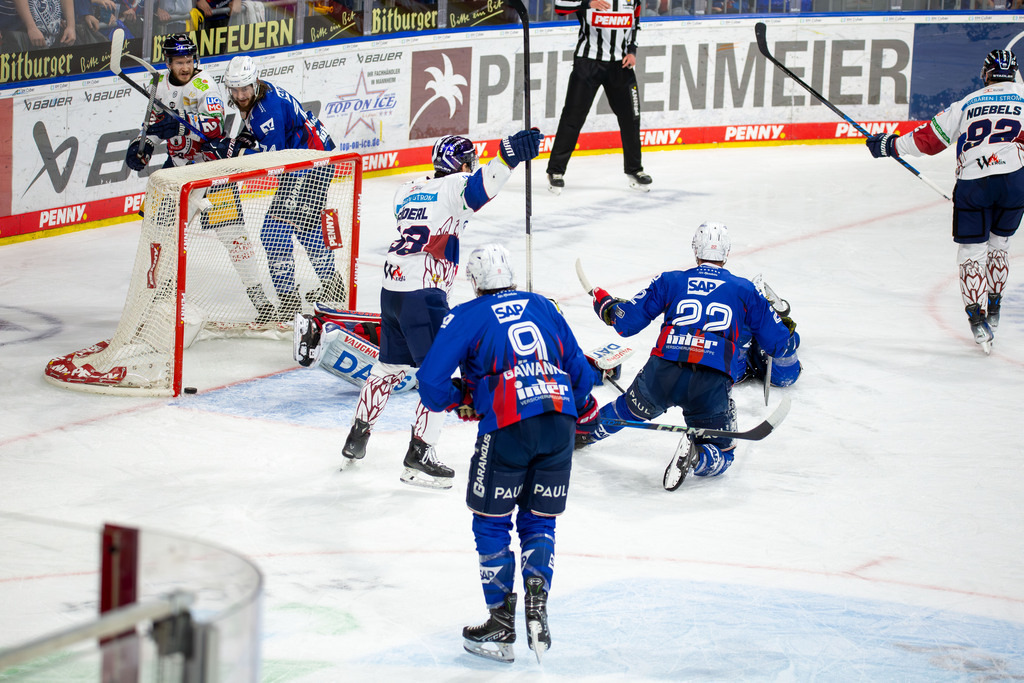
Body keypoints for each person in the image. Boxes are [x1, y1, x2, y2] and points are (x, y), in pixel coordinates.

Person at [415, 244, 597, 663]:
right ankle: (537, 600)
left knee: (491, 520)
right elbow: (582, 376)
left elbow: (431, 384)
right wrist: (575, 405)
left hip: (509, 425)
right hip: (558, 422)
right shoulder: (543, 305)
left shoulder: (465, 315)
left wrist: (466, 396)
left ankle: (500, 622)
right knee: (539, 519)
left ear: (475, 282)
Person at [333, 129, 543, 489]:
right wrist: (507, 157)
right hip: (423, 294)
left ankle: (358, 436)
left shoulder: (409, 190)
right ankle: (420, 454)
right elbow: (479, 189)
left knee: (388, 366)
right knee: (437, 375)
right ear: (462, 165)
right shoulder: (455, 185)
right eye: (469, 164)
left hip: (392, 289)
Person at [575, 221, 800, 490]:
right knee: (723, 453)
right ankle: (698, 457)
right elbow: (778, 346)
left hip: (662, 372)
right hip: (711, 379)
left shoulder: (670, 280)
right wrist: (783, 331)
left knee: (626, 410)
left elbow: (626, 323)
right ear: (726, 253)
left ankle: (580, 433)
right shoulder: (745, 290)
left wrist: (608, 307)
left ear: (695, 250)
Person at [866, 49, 1021, 352]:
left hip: (974, 185)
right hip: (1015, 182)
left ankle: (978, 322)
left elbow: (928, 140)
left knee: (971, 254)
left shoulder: (967, 103)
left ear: (985, 75)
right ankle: (995, 309)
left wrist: (889, 145)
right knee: (1000, 246)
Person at [121, 35, 278, 324]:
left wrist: (178, 121)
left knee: (235, 239)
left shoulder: (206, 85)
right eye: (179, 62)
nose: (185, 66)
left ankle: (260, 300)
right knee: (159, 234)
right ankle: (160, 299)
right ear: (168, 62)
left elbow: (214, 128)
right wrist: (141, 146)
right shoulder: (158, 86)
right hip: (178, 172)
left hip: (211, 170)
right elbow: (156, 128)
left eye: (189, 60)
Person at [209, 54, 345, 320]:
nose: (240, 94)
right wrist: (244, 138)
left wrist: (235, 153)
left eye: (244, 88)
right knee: (307, 226)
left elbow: (272, 161)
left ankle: (289, 299)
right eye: (234, 89)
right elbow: (266, 136)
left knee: (273, 232)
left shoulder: (265, 111)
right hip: (311, 159)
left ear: (255, 82)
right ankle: (333, 285)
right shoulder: (262, 92)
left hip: (308, 163)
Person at [545, 0, 651, 194]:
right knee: (573, 118)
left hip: (621, 65)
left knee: (632, 117)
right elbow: (559, 6)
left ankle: (635, 169)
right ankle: (556, 171)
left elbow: (635, 20)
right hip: (588, 63)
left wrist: (632, 50)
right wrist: (588, 3)